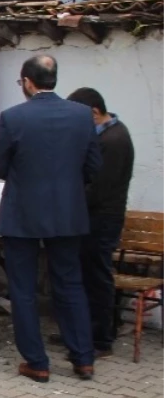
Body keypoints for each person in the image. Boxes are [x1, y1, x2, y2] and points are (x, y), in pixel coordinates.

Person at [0, 55, 102, 383]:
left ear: (27, 81)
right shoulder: (82, 115)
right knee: (69, 284)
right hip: (67, 213)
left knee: (23, 289)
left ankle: (37, 362)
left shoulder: (13, 117)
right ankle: (83, 360)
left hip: (22, 214)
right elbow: (94, 167)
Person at [67, 87, 134, 358]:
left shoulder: (114, 139)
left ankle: (101, 339)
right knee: (84, 276)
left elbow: (98, 188)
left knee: (97, 277)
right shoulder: (103, 135)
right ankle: (83, 332)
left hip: (102, 218)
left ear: (94, 112)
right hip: (92, 217)